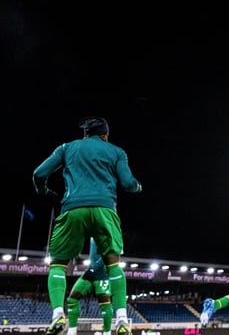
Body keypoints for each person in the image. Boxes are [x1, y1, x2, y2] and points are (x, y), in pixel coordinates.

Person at [32, 116, 142, 335]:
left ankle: (56, 316)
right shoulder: (116, 151)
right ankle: (121, 319)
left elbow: (39, 173)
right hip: (105, 209)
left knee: (58, 265)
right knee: (114, 265)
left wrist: (43, 191)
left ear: (85, 134)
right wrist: (138, 187)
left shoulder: (67, 147)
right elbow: (129, 184)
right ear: (106, 135)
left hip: (73, 209)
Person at [66, 238, 114, 335]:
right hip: (90, 271)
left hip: (101, 273)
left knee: (105, 304)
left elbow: (108, 253)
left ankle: (107, 332)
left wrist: (93, 269)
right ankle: (71, 332)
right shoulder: (92, 231)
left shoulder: (105, 229)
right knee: (72, 300)